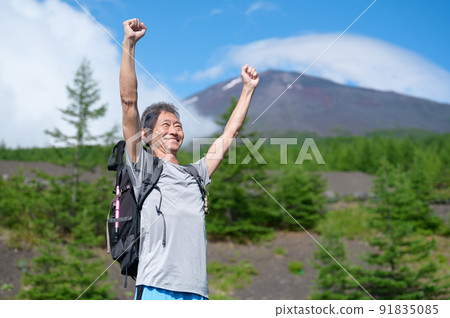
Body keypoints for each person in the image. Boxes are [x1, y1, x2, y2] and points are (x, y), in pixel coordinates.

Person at [120, 18, 259, 300]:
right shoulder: (142, 166)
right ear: (145, 136)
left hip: (197, 293)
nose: (174, 130)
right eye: (166, 125)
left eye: (178, 126)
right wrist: (130, 44)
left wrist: (248, 90)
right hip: (157, 288)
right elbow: (129, 102)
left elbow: (229, 134)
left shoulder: (197, 174)